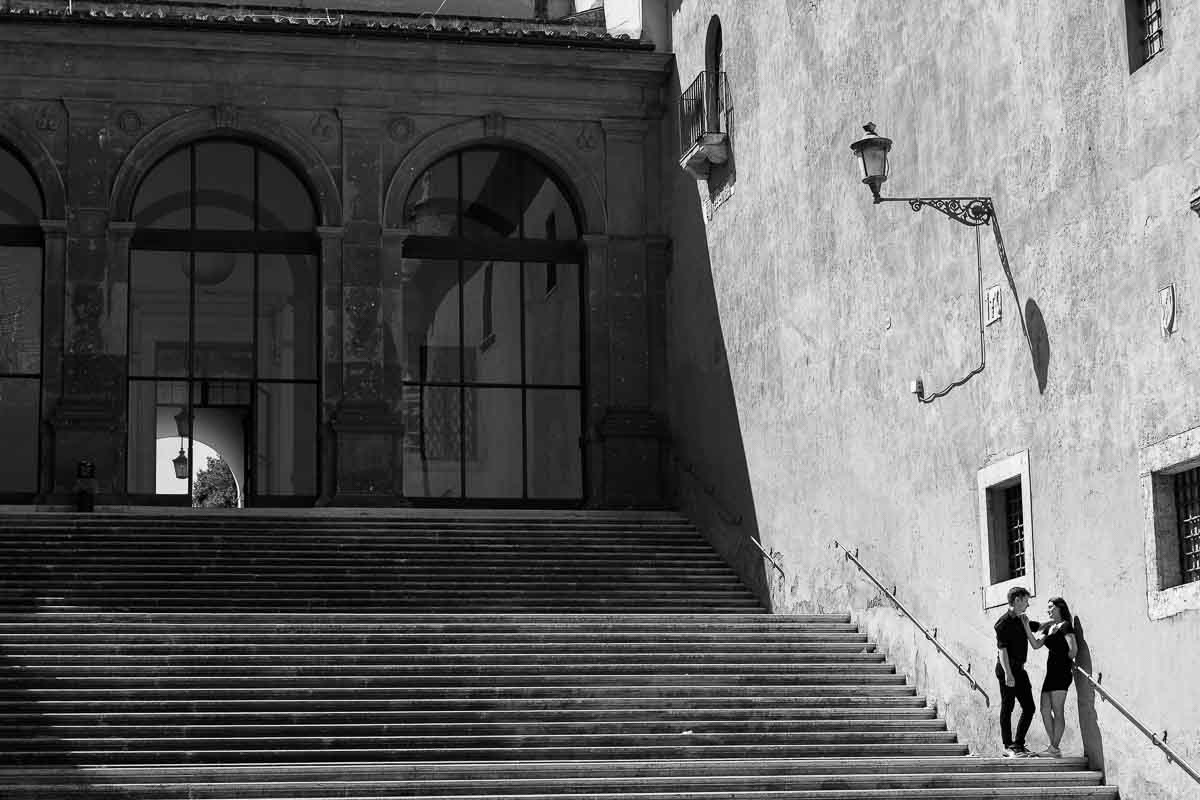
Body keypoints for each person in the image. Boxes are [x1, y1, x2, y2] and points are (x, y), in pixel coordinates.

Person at [1028, 596, 1077, 758]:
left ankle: (1054, 747)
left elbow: (1073, 650)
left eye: (1051, 607)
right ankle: (1053, 747)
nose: (1048, 610)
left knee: (1058, 711)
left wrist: (1065, 662)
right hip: (1050, 673)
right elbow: (1036, 645)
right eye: (1048, 607)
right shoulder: (1050, 627)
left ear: (1060, 608)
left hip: (1061, 673)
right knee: (1044, 709)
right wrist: (1026, 627)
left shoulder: (1065, 626)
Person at [994, 586, 1039, 757]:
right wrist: (1008, 674)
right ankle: (1007, 746)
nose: (1028, 605)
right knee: (1008, 706)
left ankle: (1018, 744)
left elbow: (1037, 627)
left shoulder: (1022, 619)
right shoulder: (1002, 623)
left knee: (1029, 707)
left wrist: (1056, 624)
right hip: (1007, 670)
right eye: (1026, 601)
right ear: (1017, 600)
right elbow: (1002, 651)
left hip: (1020, 670)